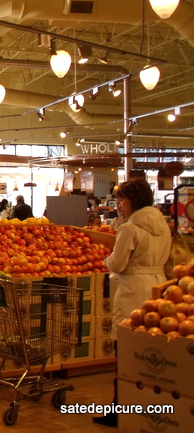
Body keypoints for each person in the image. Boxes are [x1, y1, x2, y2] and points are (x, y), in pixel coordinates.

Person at [94, 180, 171, 427]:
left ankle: (120, 410)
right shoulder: (163, 224)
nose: (119, 206)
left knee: (126, 352)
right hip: (157, 286)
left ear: (133, 200)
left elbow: (118, 264)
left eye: (122, 201)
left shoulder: (131, 228)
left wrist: (107, 260)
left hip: (132, 288)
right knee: (150, 351)